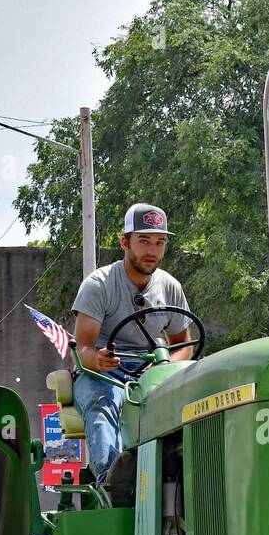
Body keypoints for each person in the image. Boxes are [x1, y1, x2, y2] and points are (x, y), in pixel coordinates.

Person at [71, 203, 194, 483]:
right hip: (105, 373)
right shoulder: (99, 284)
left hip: (154, 370)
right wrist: (99, 359)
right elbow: (82, 350)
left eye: (159, 243)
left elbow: (183, 345)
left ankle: (190, 479)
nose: (152, 251)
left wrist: (165, 370)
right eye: (144, 241)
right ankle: (112, 480)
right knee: (103, 401)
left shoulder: (170, 287)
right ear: (124, 242)